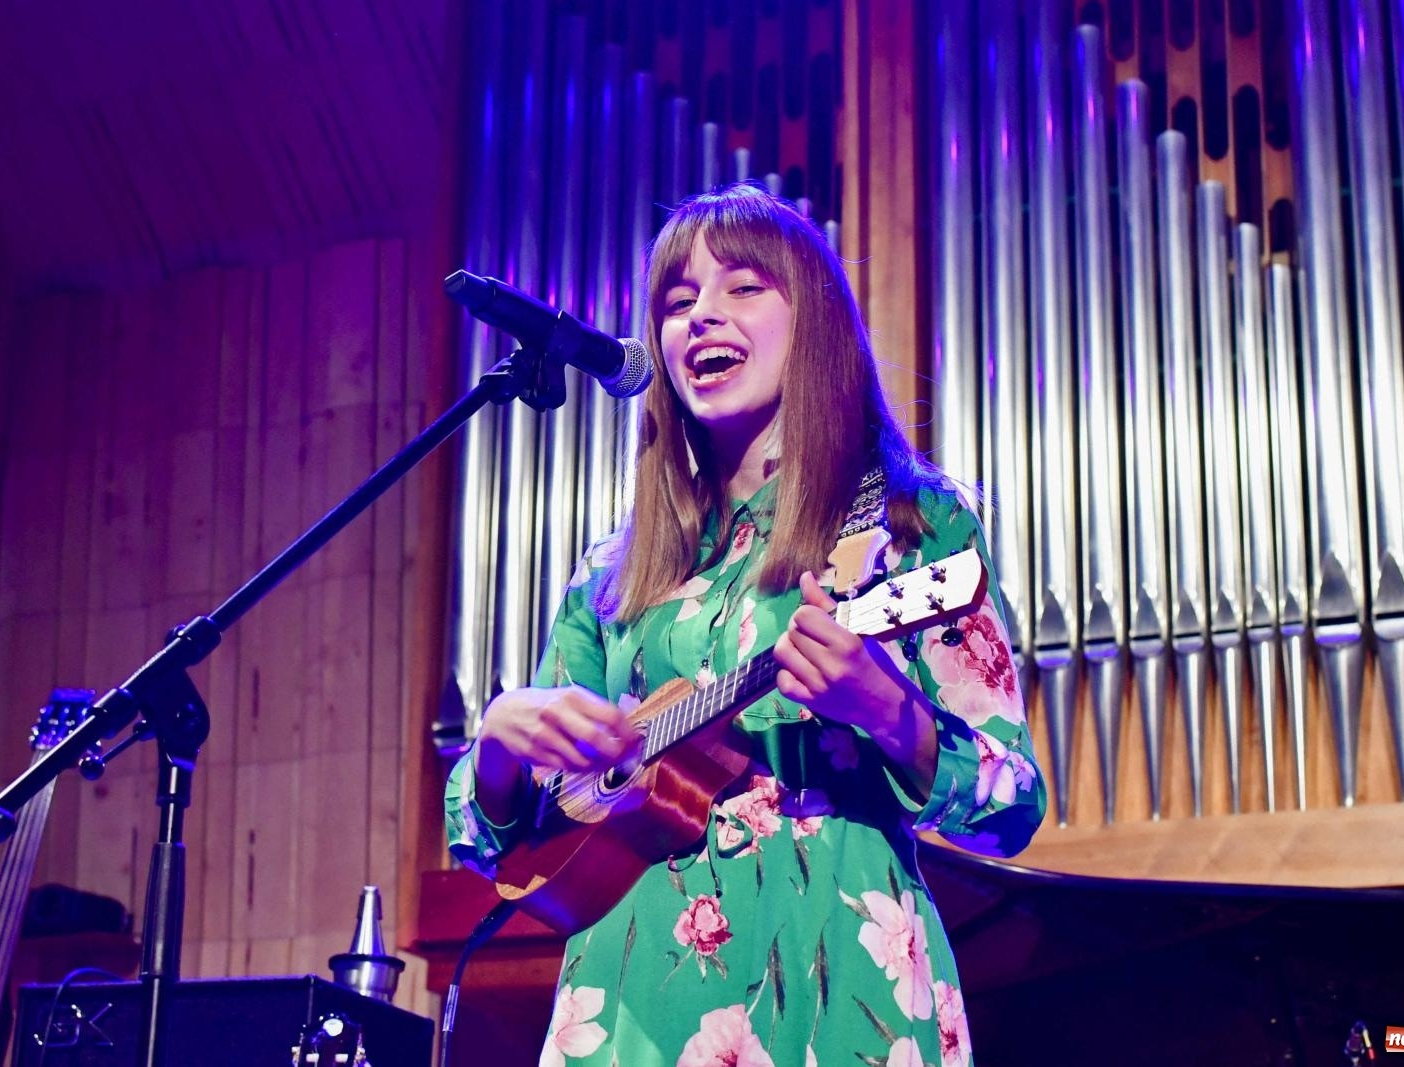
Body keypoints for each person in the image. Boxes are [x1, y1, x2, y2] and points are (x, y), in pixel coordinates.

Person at [445, 182, 1045, 1067]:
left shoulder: (909, 522)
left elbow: (1010, 804)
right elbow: (514, 838)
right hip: (628, 1001)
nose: (700, 317)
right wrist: (497, 749)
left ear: (816, 322)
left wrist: (884, 707)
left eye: (742, 287)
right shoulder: (610, 578)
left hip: (837, 983)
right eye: (677, 301)